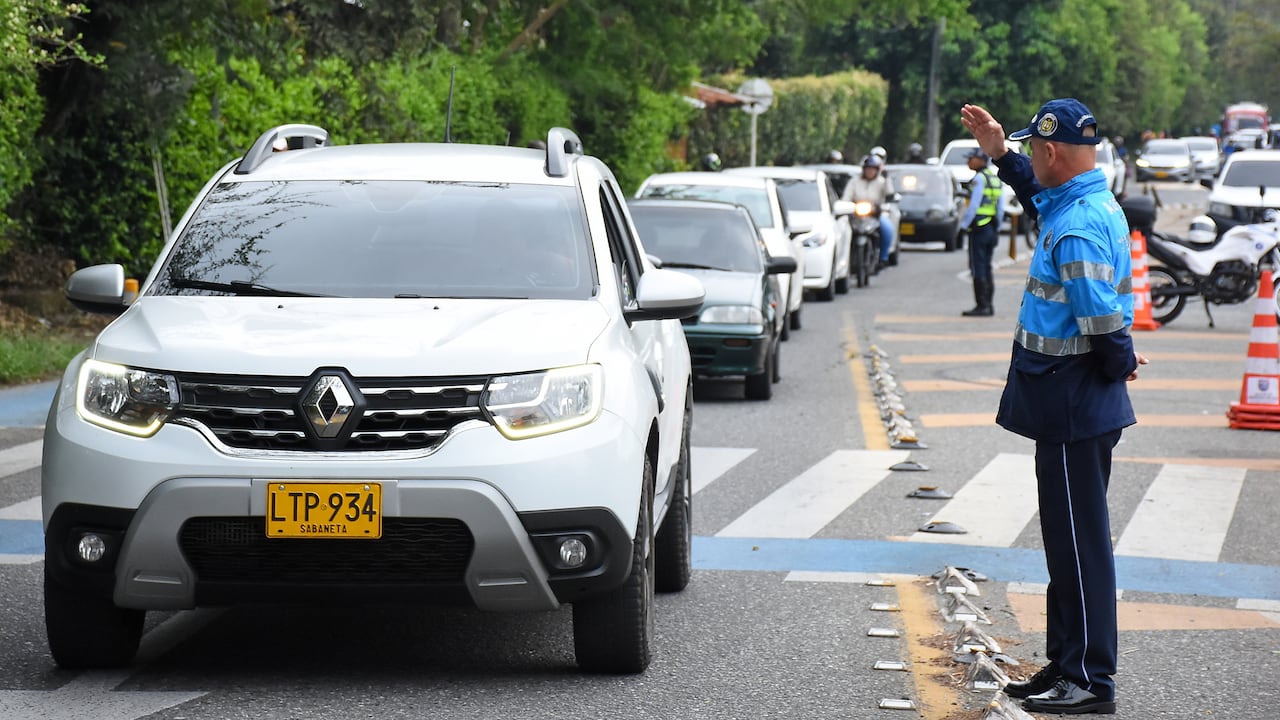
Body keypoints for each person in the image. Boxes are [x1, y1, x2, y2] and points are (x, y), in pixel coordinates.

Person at [960, 98, 1149, 716]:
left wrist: (1120, 359)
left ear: (1052, 152)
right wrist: (999, 154)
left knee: (1079, 547)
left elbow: (1098, 319)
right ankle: (1067, 662)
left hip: (1072, 405)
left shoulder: (1074, 226)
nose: (1031, 162)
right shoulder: (1081, 201)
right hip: (1071, 402)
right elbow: (1036, 195)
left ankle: (1090, 677)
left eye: (1032, 151)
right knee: (1066, 544)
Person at [957, 148, 1003, 316]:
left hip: (979, 228)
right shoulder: (995, 179)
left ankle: (982, 305)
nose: (968, 161)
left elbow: (973, 206)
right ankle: (989, 304)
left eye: (971, 158)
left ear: (982, 160)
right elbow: (1000, 208)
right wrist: (997, 229)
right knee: (987, 267)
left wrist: (963, 226)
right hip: (991, 228)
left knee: (978, 267)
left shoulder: (978, 179)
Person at [841, 154, 896, 272]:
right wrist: (846, 207)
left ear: (877, 171)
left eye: (873, 169)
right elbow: (846, 197)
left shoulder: (881, 182)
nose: (870, 172)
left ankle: (883, 257)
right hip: (856, 215)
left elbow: (889, 194)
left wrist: (887, 179)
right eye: (868, 169)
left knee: (887, 229)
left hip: (874, 214)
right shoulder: (854, 181)